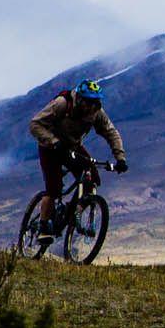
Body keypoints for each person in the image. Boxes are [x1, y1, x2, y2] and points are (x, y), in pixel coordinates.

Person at [28, 78, 127, 237]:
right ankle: (43, 225)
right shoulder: (62, 104)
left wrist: (120, 158)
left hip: (72, 147)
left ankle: (75, 213)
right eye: (89, 102)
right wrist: (54, 141)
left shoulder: (96, 113)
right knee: (54, 189)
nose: (92, 106)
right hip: (50, 147)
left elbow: (111, 133)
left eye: (95, 102)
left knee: (92, 178)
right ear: (80, 99)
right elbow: (35, 124)